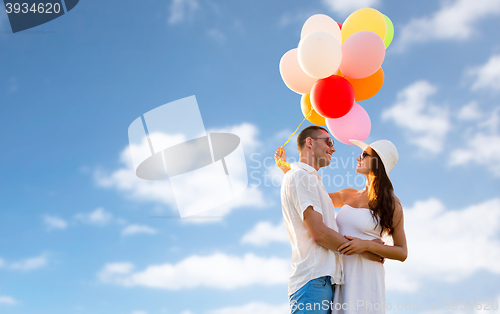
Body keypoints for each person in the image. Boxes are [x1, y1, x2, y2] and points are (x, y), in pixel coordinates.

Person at [276, 135, 407, 314]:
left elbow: (402, 252)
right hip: (340, 274)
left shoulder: (392, 203)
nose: (357, 158)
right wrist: (287, 169)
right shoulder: (348, 194)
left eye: (363, 154)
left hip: (367, 274)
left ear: (378, 162)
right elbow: (311, 193)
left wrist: (366, 246)